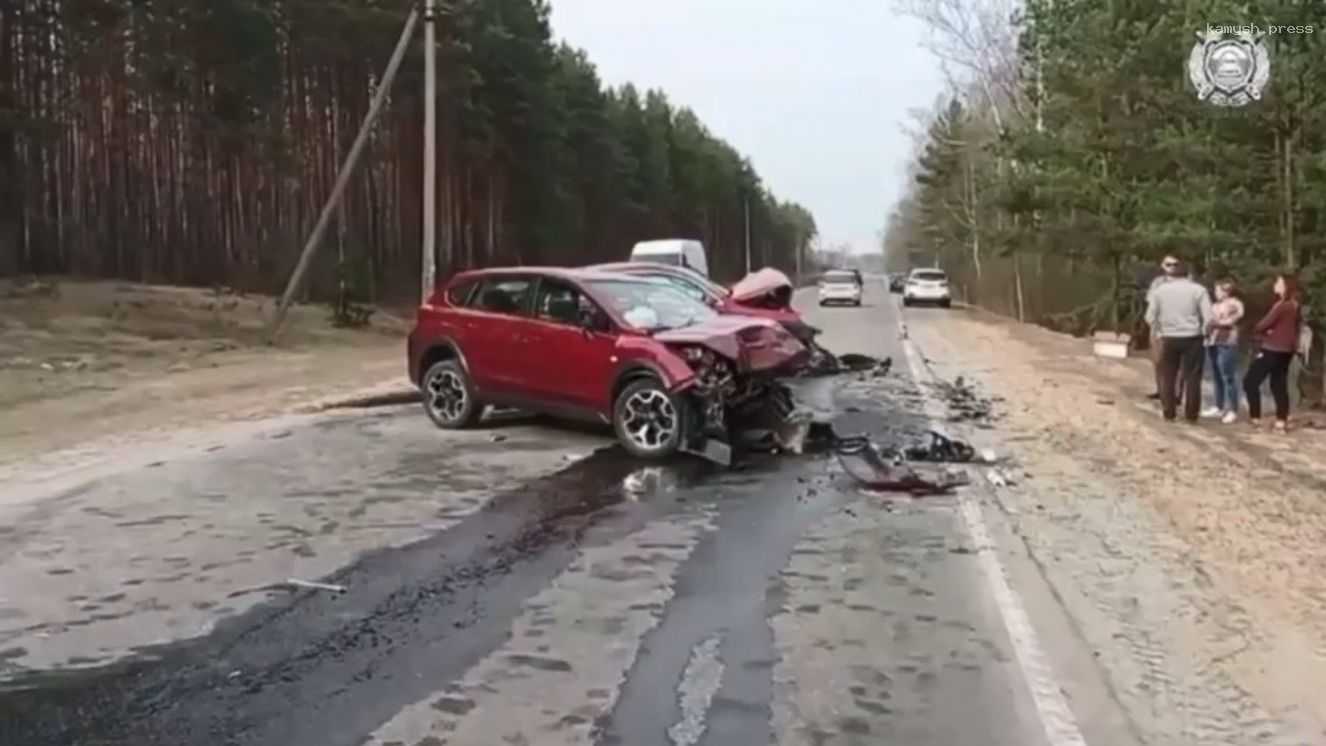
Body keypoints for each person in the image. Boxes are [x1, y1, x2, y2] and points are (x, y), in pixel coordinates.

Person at [1145, 258, 1213, 422]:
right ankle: (1191, 415)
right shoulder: (1199, 290)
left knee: (1168, 375)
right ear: (1188, 275)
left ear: (1172, 276)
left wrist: (1158, 330)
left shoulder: (1160, 291)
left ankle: (1169, 413)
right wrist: (1205, 332)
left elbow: (1149, 316)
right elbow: (1209, 317)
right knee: (1192, 377)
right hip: (1193, 337)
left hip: (1169, 336)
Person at [1243, 273, 1303, 432]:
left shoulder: (1282, 306)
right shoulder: (1295, 305)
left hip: (1272, 349)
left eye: (1278, 282)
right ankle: (1281, 421)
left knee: (1250, 382)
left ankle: (1255, 418)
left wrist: (1264, 331)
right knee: (1278, 384)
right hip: (1287, 351)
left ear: (1286, 286)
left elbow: (1263, 324)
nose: (1275, 284)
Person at [1200, 279, 1244, 424]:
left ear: (1226, 291)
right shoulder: (1215, 306)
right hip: (1213, 341)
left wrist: (1215, 323)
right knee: (1217, 375)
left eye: (1218, 290)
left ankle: (1233, 409)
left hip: (1227, 342)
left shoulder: (1235, 304)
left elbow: (1230, 321)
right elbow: (1208, 321)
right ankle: (1218, 406)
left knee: (1228, 376)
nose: (1216, 293)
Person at [1145, 256, 1179, 400]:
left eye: (1175, 264)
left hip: (1177, 326)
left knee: (1176, 362)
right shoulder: (1157, 282)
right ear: (1162, 265)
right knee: (1158, 360)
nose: (1172, 267)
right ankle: (1161, 390)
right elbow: (1151, 301)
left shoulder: (1185, 282)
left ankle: (1175, 394)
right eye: (1168, 264)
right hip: (1158, 325)